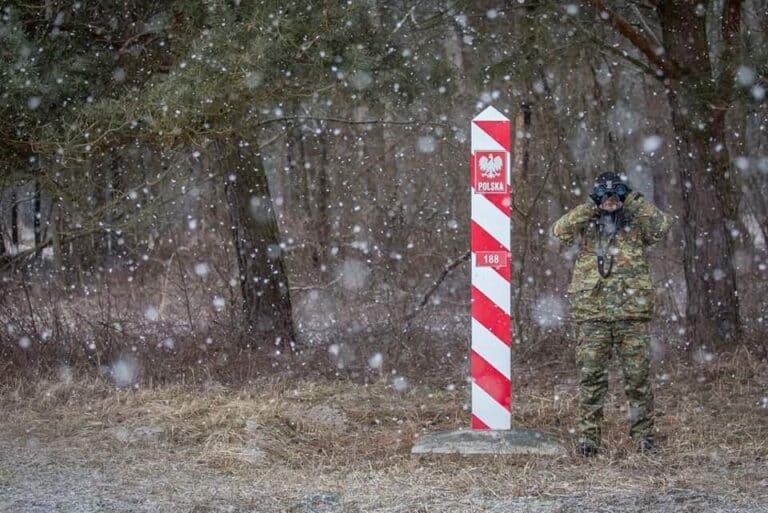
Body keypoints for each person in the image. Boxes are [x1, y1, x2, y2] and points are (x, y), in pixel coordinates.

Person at [551, 171, 672, 456]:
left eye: (614, 194)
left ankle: (644, 437)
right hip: (593, 314)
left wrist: (630, 198)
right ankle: (588, 439)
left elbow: (662, 226)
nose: (609, 200)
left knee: (638, 377)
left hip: (631, 314)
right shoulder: (587, 222)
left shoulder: (635, 222)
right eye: (604, 195)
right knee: (591, 378)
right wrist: (591, 205)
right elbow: (560, 231)